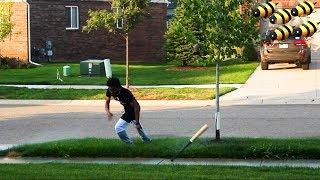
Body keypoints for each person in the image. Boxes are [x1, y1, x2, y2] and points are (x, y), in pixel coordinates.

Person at [105, 77, 151, 144]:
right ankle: (147, 140)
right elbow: (107, 102)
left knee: (118, 127)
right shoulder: (110, 90)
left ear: (118, 87)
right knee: (137, 126)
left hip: (132, 110)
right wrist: (108, 111)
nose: (111, 91)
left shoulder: (125, 93)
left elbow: (137, 106)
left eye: (113, 89)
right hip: (126, 109)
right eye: (110, 88)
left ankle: (129, 144)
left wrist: (137, 122)